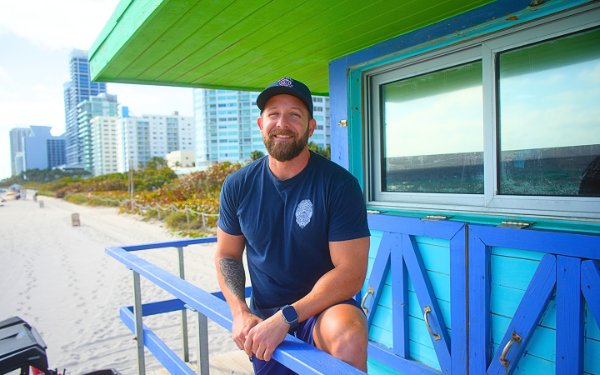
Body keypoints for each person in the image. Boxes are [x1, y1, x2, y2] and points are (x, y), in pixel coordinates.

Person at [215, 77, 371, 374]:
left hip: (323, 309)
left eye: (294, 115)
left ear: (311, 127)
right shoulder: (238, 185)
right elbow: (227, 255)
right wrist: (240, 312)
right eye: (273, 114)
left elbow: (351, 273)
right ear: (260, 124)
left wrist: (287, 317)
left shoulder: (339, 185)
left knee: (349, 332)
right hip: (263, 314)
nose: (282, 123)